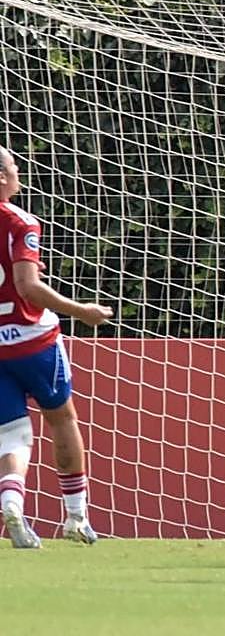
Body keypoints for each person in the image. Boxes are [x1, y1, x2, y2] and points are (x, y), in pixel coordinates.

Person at [0, 145, 112, 548]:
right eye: (14, 167)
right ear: (1, 178)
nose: (18, 174)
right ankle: (76, 517)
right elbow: (28, 286)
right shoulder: (19, 221)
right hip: (33, 341)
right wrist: (81, 310)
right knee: (62, 419)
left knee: (12, 434)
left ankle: (12, 500)